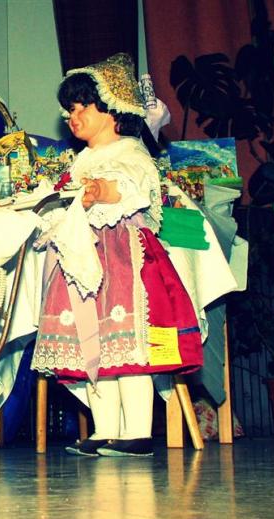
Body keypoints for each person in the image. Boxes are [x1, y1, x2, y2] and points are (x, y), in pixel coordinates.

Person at [31, 53, 199, 457]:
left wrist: (100, 191)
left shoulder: (130, 151)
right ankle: (105, 428)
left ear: (111, 108)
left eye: (81, 107)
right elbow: (59, 194)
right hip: (82, 257)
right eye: (69, 111)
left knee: (126, 343)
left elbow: (130, 186)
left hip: (122, 258)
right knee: (93, 341)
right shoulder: (81, 160)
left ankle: (136, 430)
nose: (73, 117)